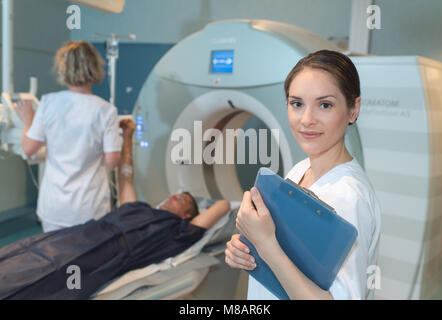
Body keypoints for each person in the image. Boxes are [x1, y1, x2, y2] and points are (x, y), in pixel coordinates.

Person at [0, 119, 230, 300]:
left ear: (188, 214)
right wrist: (127, 137)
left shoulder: (179, 232)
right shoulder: (138, 208)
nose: (171, 196)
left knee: (49, 280)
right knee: (29, 252)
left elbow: (224, 205)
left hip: (105, 256)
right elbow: (126, 177)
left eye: (180, 199)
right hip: (80, 234)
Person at [225, 50, 382, 300]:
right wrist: (246, 249)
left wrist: (265, 245)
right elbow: (290, 258)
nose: (307, 120)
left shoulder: (348, 197)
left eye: (325, 105)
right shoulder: (300, 170)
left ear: (353, 110)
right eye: (297, 104)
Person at [14, 41, 122, 232]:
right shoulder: (106, 111)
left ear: (63, 69)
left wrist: (27, 121)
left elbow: (29, 149)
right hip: (90, 207)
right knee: (89, 258)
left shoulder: (48, 103)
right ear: (95, 67)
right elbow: (112, 161)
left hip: (55, 208)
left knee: (56, 258)